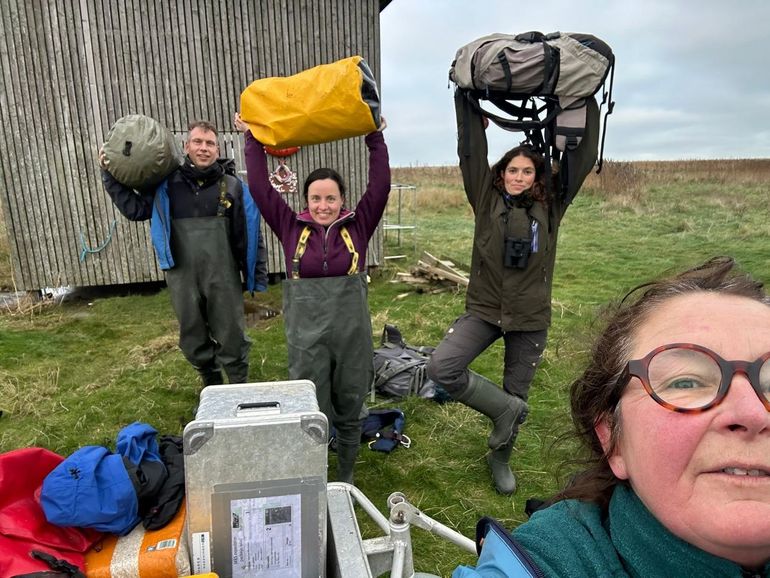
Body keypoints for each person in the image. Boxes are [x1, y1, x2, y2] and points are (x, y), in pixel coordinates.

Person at [455, 256, 770, 577]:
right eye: (686, 381)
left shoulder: (546, 210)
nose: (753, 412)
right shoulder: (551, 562)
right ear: (612, 439)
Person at [426, 90, 576, 495]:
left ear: (537, 177)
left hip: (529, 317)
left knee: (519, 393)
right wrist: (465, 103)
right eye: (513, 170)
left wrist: (584, 104)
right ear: (502, 172)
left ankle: (500, 455)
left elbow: (579, 160)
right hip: (485, 308)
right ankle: (505, 411)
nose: (519, 177)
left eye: (527, 172)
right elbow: (471, 152)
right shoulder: (485, 196)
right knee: (442, 367)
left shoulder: (551, 207)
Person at [234, 112, 390, 484]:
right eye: (316, 198)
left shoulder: (359, 225)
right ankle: (313, 472)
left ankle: (347, 474)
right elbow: (259, 187)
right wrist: (252, 140)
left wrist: (375, 138)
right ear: (306, 201)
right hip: (306, 337)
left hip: (351, 333)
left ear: (342, 200)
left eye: (331, 198)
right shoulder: (290, 226)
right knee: (309, 405)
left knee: (351, 402)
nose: (323, 206)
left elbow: (381, 187)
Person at [100, 120, 267, 386]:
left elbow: (250, 234)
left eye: (210, 143)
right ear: (185, 146)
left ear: (217, 148)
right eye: (198, 142)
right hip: (181, 274)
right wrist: (108, 175)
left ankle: (238, 387)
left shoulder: (232, 186)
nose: (204, 148)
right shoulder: (165, 186)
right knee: (193, 334)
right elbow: (135, 209)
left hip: (223, 276)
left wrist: (255, 274)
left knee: (232, 333)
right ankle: (210, 386)